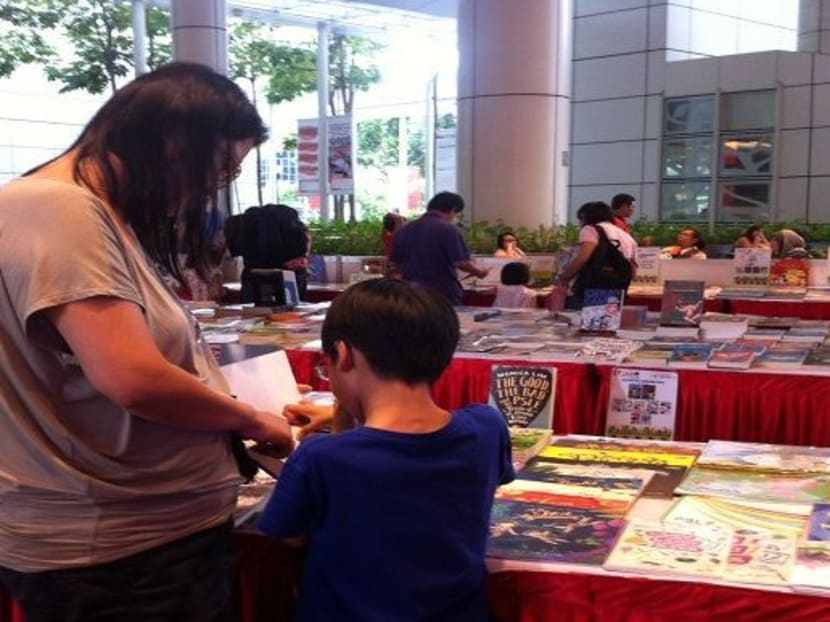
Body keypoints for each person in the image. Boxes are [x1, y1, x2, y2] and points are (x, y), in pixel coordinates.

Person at [0, 62, 294, 622]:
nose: (210, 191)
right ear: (173, 140)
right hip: (123, 551)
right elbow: (131, 377)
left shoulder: (76, 210)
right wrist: (249, 420)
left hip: (130, 539)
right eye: (222, 170)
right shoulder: (62, 210)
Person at [258, 278, 514, 621]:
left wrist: (342, 417)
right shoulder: (486, 427)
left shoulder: (319, 457)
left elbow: (289, 536)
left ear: (344, 355)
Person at [389, 191, 489, 304]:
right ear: (453, 209)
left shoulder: (405, 230)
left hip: (411, 292)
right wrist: (479, 272)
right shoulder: (448, 229)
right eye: (456, 214)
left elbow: (395, 264)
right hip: (442, 291)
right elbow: (461, 263)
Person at [555, 201, 637, 309]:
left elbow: (582, 257)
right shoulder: (627, 236)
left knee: (581, 321)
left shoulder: (591, 229)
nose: (580, 223)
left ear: (586, 216)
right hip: (616, 290)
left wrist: (565, 276)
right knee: (605, 323)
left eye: (581, 219)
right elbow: (633, 270)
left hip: (592, 288)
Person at [238, 203, 311, 302]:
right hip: (288, 273)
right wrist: (304, 257)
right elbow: (303, 244)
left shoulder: (250, 226)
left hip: (253, 274)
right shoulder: (291, 225)